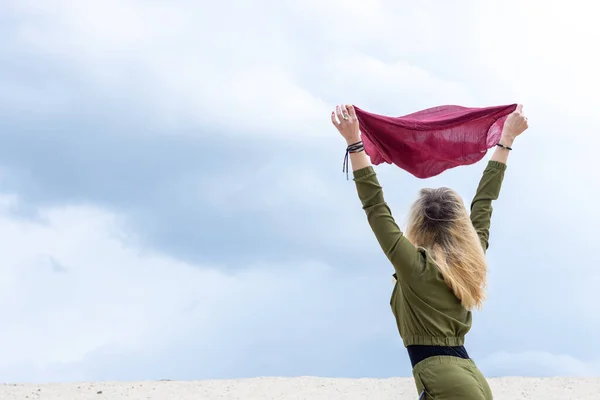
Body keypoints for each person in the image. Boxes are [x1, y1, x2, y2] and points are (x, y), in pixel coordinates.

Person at [331, 103, 528, 400]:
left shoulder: (414, 266)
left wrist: (354, 143)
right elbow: (484, 202)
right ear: (460, 224)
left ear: (419, 222)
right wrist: (507, 140)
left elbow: (375, 206)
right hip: (470, 376)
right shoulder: (469, 261)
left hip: (445, 380)